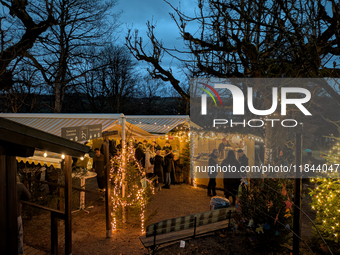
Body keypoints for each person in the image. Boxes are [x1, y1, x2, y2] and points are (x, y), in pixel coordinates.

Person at [17, 178, 31, 255]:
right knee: (19, 234)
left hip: (5, 214)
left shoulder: (5, 184)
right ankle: (20, 253)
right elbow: (28, 196)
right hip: (17, 213)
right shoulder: (20, 186)